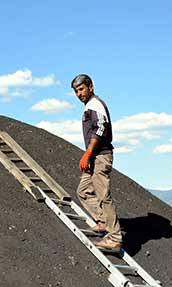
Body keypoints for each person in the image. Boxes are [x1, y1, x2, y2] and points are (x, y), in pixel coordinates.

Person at [71, 74, 123, 251]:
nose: (79, 94)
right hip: (94, 156)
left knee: (103, 195)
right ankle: (102, 221)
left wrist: (87, 154)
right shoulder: (89, 106)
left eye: (81, 89)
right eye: (76, 91)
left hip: (100, 155)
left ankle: (115, 237)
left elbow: (100, 129)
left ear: (91, 87)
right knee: (84, 191)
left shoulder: (95, 104)